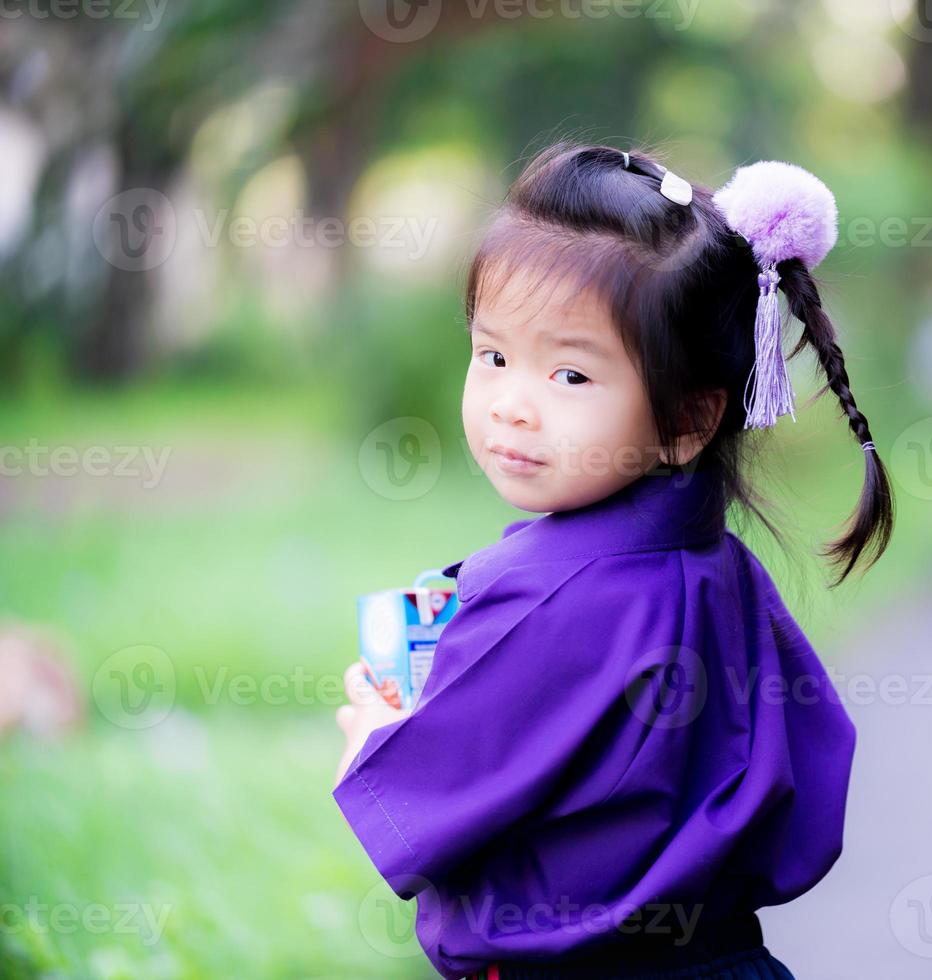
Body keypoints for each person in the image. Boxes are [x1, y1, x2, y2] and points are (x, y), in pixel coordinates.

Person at [332, 141, 894, 980]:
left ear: (688, 421)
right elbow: (804, 786)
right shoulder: (725, 573)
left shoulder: (541, 596)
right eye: (492, 356)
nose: (513, 406)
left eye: (569, 374)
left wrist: (375, 738)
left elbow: (427, 808)